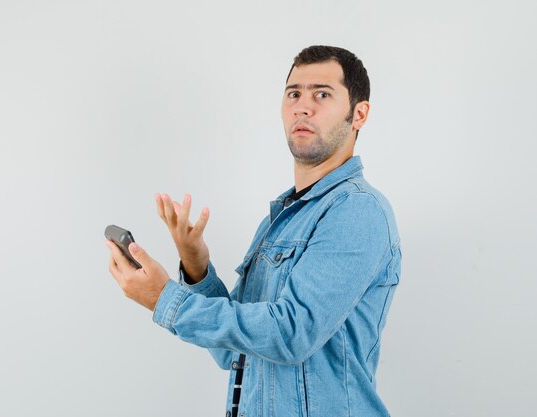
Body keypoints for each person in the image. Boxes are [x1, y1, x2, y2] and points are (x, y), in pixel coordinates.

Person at [106, 45, 402, 417]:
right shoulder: (279, 220)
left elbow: (291, 334)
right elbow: (233, 352)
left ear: (359, 114)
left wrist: (163, 299)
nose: (302, 106)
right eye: (294, 93)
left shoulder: (357, 210)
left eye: (322, 94)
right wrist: (197, 269)